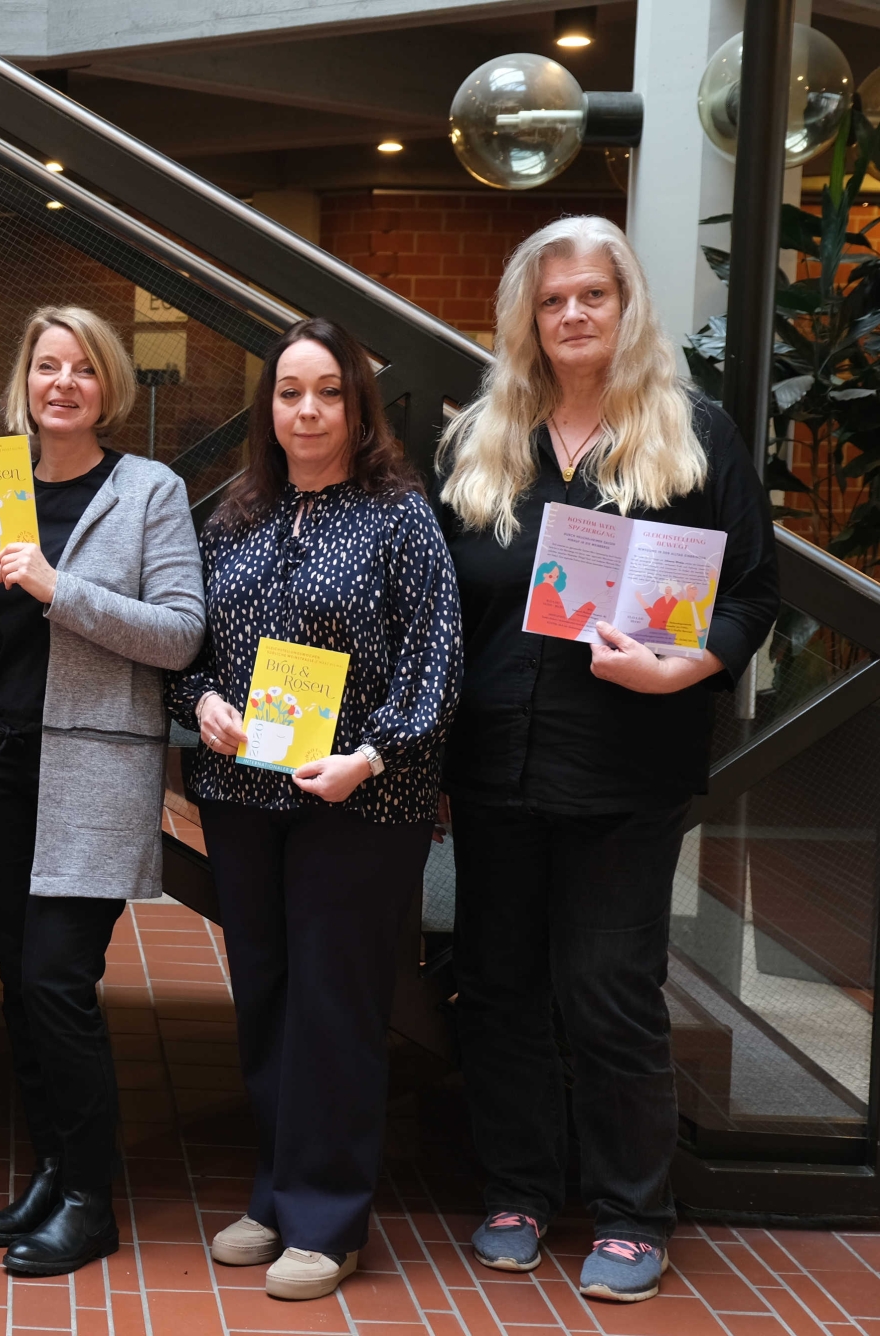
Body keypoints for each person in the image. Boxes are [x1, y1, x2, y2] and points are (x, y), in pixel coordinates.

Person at [437, 216, 778, 1302]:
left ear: (627, 307)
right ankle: (519, 1190)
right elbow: (449, 605)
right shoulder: (480, 439)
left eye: (594, 295)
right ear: (524, 319)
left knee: (609, 989)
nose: (574, 315)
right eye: (553, 300)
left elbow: (755, 594)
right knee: (498, 986)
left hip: (627, 770)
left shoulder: (696, 436)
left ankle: (634, 1208)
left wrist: (689, 668)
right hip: (494, 767)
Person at [164, 317, 461, 1301]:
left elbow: (434, 666)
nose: (307, 409)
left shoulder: (399, 516)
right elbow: (191, 650)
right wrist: (201, 703)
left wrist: (367, 757)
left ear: (358, 406)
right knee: (268, 999)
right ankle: (280, 1192)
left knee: (337, 1004)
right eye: (290, 391)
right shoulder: (238, 515)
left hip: (361, 801)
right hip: (246, 794)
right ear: (269, 408)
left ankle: (330, 1220)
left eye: (327, 391)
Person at [0, 306, 205, 1277]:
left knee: (58, 982)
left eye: (81, 369)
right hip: (3, 765)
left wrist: (60, 588)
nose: (61, 383)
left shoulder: (149, 491)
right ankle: (54, 1172)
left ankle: (91, 1199)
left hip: (91, 769)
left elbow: (179, 634)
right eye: (46, 365)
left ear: (109, 387)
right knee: (21, 988)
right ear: (26, 380)